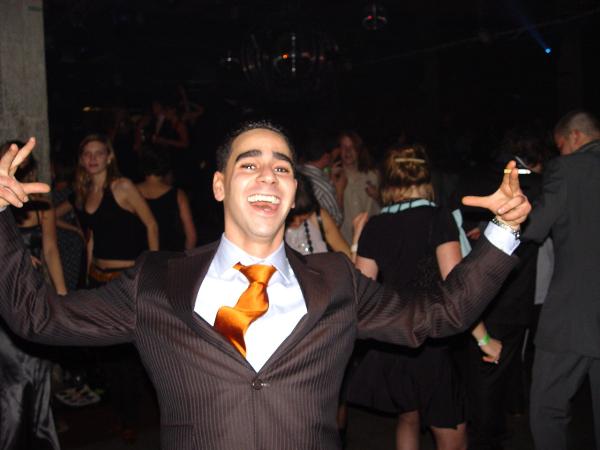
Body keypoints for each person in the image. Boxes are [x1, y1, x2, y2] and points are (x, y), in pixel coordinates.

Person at [0, 121, 530, 450]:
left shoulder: (336, 281)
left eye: (281, 168)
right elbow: (37, 317)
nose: (267, 176)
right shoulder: (156, 281)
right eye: (248, 164)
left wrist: (503, 232)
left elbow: (441, 314)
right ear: (219, 185)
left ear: (294, 190)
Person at [348, 144, 467, 450]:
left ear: (387, 182)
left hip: (395, 336)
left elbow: (360, 291)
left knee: (408, 417)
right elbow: (457, 287)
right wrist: (482, 337)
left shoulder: (376, 225)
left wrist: (356, 242)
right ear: (427, 177)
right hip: (433, 336)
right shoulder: (438, 217)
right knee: (451, 432)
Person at [524, 110, 600, 450]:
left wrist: (504, 220)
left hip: (574, 314)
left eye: (560, 146)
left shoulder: (567, 169)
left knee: (547, 410)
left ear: (575, 136)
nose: (560, 154)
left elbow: (535, 227)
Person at [136, 145, 197, 251]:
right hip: (170, 256)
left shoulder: (131, 192)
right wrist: (184, 257)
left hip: (138, 257)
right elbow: (191, 236)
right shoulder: (178, 195)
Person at [285, 173, 351, 258]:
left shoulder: (319, 217)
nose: (297, 222)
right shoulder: (273, 225)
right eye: (291, 218)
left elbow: (347, 255)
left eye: (302, 218)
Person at [335, 130, 380, 243]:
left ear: (358, 150)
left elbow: (388, 206)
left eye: (352, 147)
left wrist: (377, 196)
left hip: (371, 239)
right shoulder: (334, 178)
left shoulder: (373, 175)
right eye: (344, 147)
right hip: (344, 242)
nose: (348, 151)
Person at [297, 131, 344, 227]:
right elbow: (336, 221)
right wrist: (340, 190)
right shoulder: (324, 187)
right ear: (326, 157)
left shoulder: (298, 172)